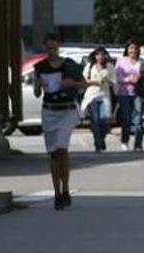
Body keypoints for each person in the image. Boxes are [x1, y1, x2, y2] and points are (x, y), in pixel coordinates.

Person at [33, 33, 85, 210]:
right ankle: (57, 193)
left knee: (62, 149)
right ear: (45, 48)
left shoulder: (68, 65)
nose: (52, 52)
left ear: (59, 47)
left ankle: (66, 189)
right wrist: (38, 85)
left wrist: (71, 84)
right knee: (54, 153)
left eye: (54, 48)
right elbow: (37, 93)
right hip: (49, 110)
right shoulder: (40, 67)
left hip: (67, 110)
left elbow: (82, 84)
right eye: (48, 48)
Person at [81, 46, 116, 153]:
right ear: (95, 56)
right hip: (92, 96)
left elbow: (114, 81)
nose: (100, 57)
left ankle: (101, 138)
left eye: (102, 54)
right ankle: (99, 143)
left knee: (104, 120)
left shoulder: (109, 66)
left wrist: (107, 81)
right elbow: (84, 81)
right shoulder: (90, 66)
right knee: (95, 121)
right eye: (98, 54)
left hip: (104, 95)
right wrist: (95, 82)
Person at [115, 40, 144, 152]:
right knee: (126, 119)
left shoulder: (142, 62)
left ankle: (138, 144)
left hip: (138, 93)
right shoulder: (121, 61)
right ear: (127, 50)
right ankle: (125, 141)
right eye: (130, 48)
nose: (133, 50)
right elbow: (117, 78)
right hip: (124, 94)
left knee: (138, 120)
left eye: (135, 48)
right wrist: (129, 80)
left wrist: (140, 78)